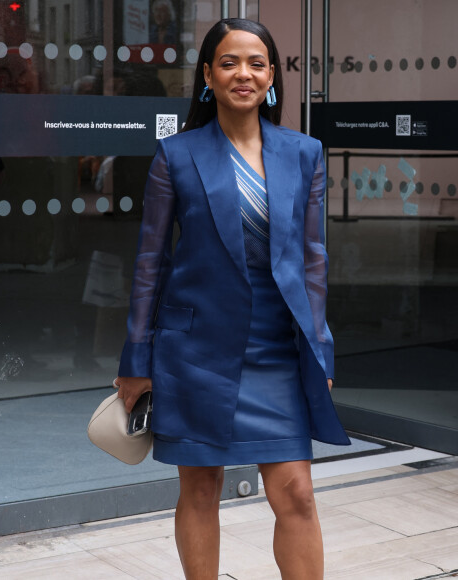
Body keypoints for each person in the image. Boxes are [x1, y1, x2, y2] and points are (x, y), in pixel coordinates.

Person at [114, 18, 350, 580]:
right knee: (201, 487)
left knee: (296, 493)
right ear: (207, 76)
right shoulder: (176, 155)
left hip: (278, 350)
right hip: (195, 353)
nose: (243, 73)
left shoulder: (304, 153)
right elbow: (152, 264)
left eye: (256, 63)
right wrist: (135, 361)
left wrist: (321, 348)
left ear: (272, 77)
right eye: (228, 62)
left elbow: (313, 260)